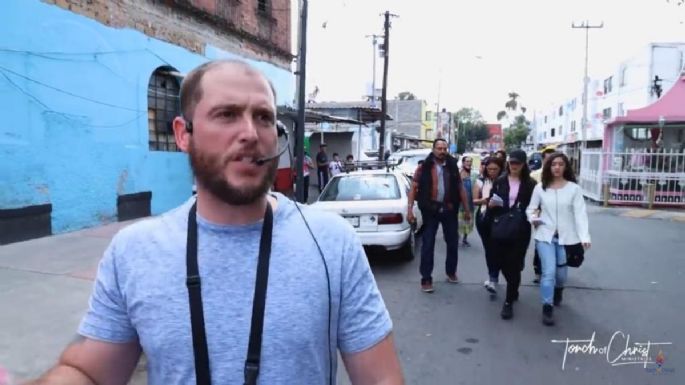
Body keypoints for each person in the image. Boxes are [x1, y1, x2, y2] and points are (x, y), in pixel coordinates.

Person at [26, 60, 404, 385]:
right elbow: (89, 372)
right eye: (226, 115)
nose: (250, 134)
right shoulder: (134, 251)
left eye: (264, 117)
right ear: (182, 134)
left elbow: (381, 377)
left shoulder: (332, 242)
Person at [526, 152, 591, 326]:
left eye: (560, 164)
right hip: (545, 236)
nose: (557, 167)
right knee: (548, 272)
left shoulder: (574, 189)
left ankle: (559, 290)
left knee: (561, 275)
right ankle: (547, 307)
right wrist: (534, 219)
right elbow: (531, 209)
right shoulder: (541, 187)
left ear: (565, 167)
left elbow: (580, 214)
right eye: (553, 164)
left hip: (567, 238)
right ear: (549, 166)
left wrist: (584, 236)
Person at [407, 139, 471, 293]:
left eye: (444, 148)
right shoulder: (424, 167)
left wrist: (467, 209)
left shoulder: (452, 166)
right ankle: (426, 278)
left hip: (449, 209)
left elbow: (460, 188)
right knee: (428, 244)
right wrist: (409, 210)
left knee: (452, 242)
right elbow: (414, 188)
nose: (442, 151)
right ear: (434, 149)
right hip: (430, 210)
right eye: (439, 148)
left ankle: (451, 272)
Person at [487, 149, 536, 320]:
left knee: (514, 264)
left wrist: (532, 215)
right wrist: (492, 205)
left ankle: (508, 301)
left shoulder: (530, 184)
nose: (514, 166)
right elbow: (491, 200)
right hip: (501, 228)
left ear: (523, 165)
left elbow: (535, 206)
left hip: (521, 229)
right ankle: (513, 287)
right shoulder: (500, 181)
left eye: (518, 163)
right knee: (500, 263)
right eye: (512, 163)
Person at [472, 156, 505, 294]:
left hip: (502, 219)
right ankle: (493, 278)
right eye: (489, 169)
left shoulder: (506, 181)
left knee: (500, 250)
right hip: (484, 218)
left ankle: (500, 274)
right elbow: (474, 201)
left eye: (495, 169)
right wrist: (486, 201)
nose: (492, 172)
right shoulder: (480, 181)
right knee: (489, 249)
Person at [529, 147, 556, 284]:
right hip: (540, 215)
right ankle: (539, 271)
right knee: (540, 243)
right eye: (548, 159)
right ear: (543, 159)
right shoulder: (535, 176)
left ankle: (555, 269)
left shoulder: (562, 176)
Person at [459, 156, 475, 247]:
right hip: (460, 203)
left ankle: (465, 239)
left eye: (470, 161)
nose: (469, 163)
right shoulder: (459, 173)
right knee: (459, 221)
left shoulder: (473, 174)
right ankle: (457, 238)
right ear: (463, 163)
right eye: (467, 161)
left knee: (468, 222)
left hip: (470, 201)